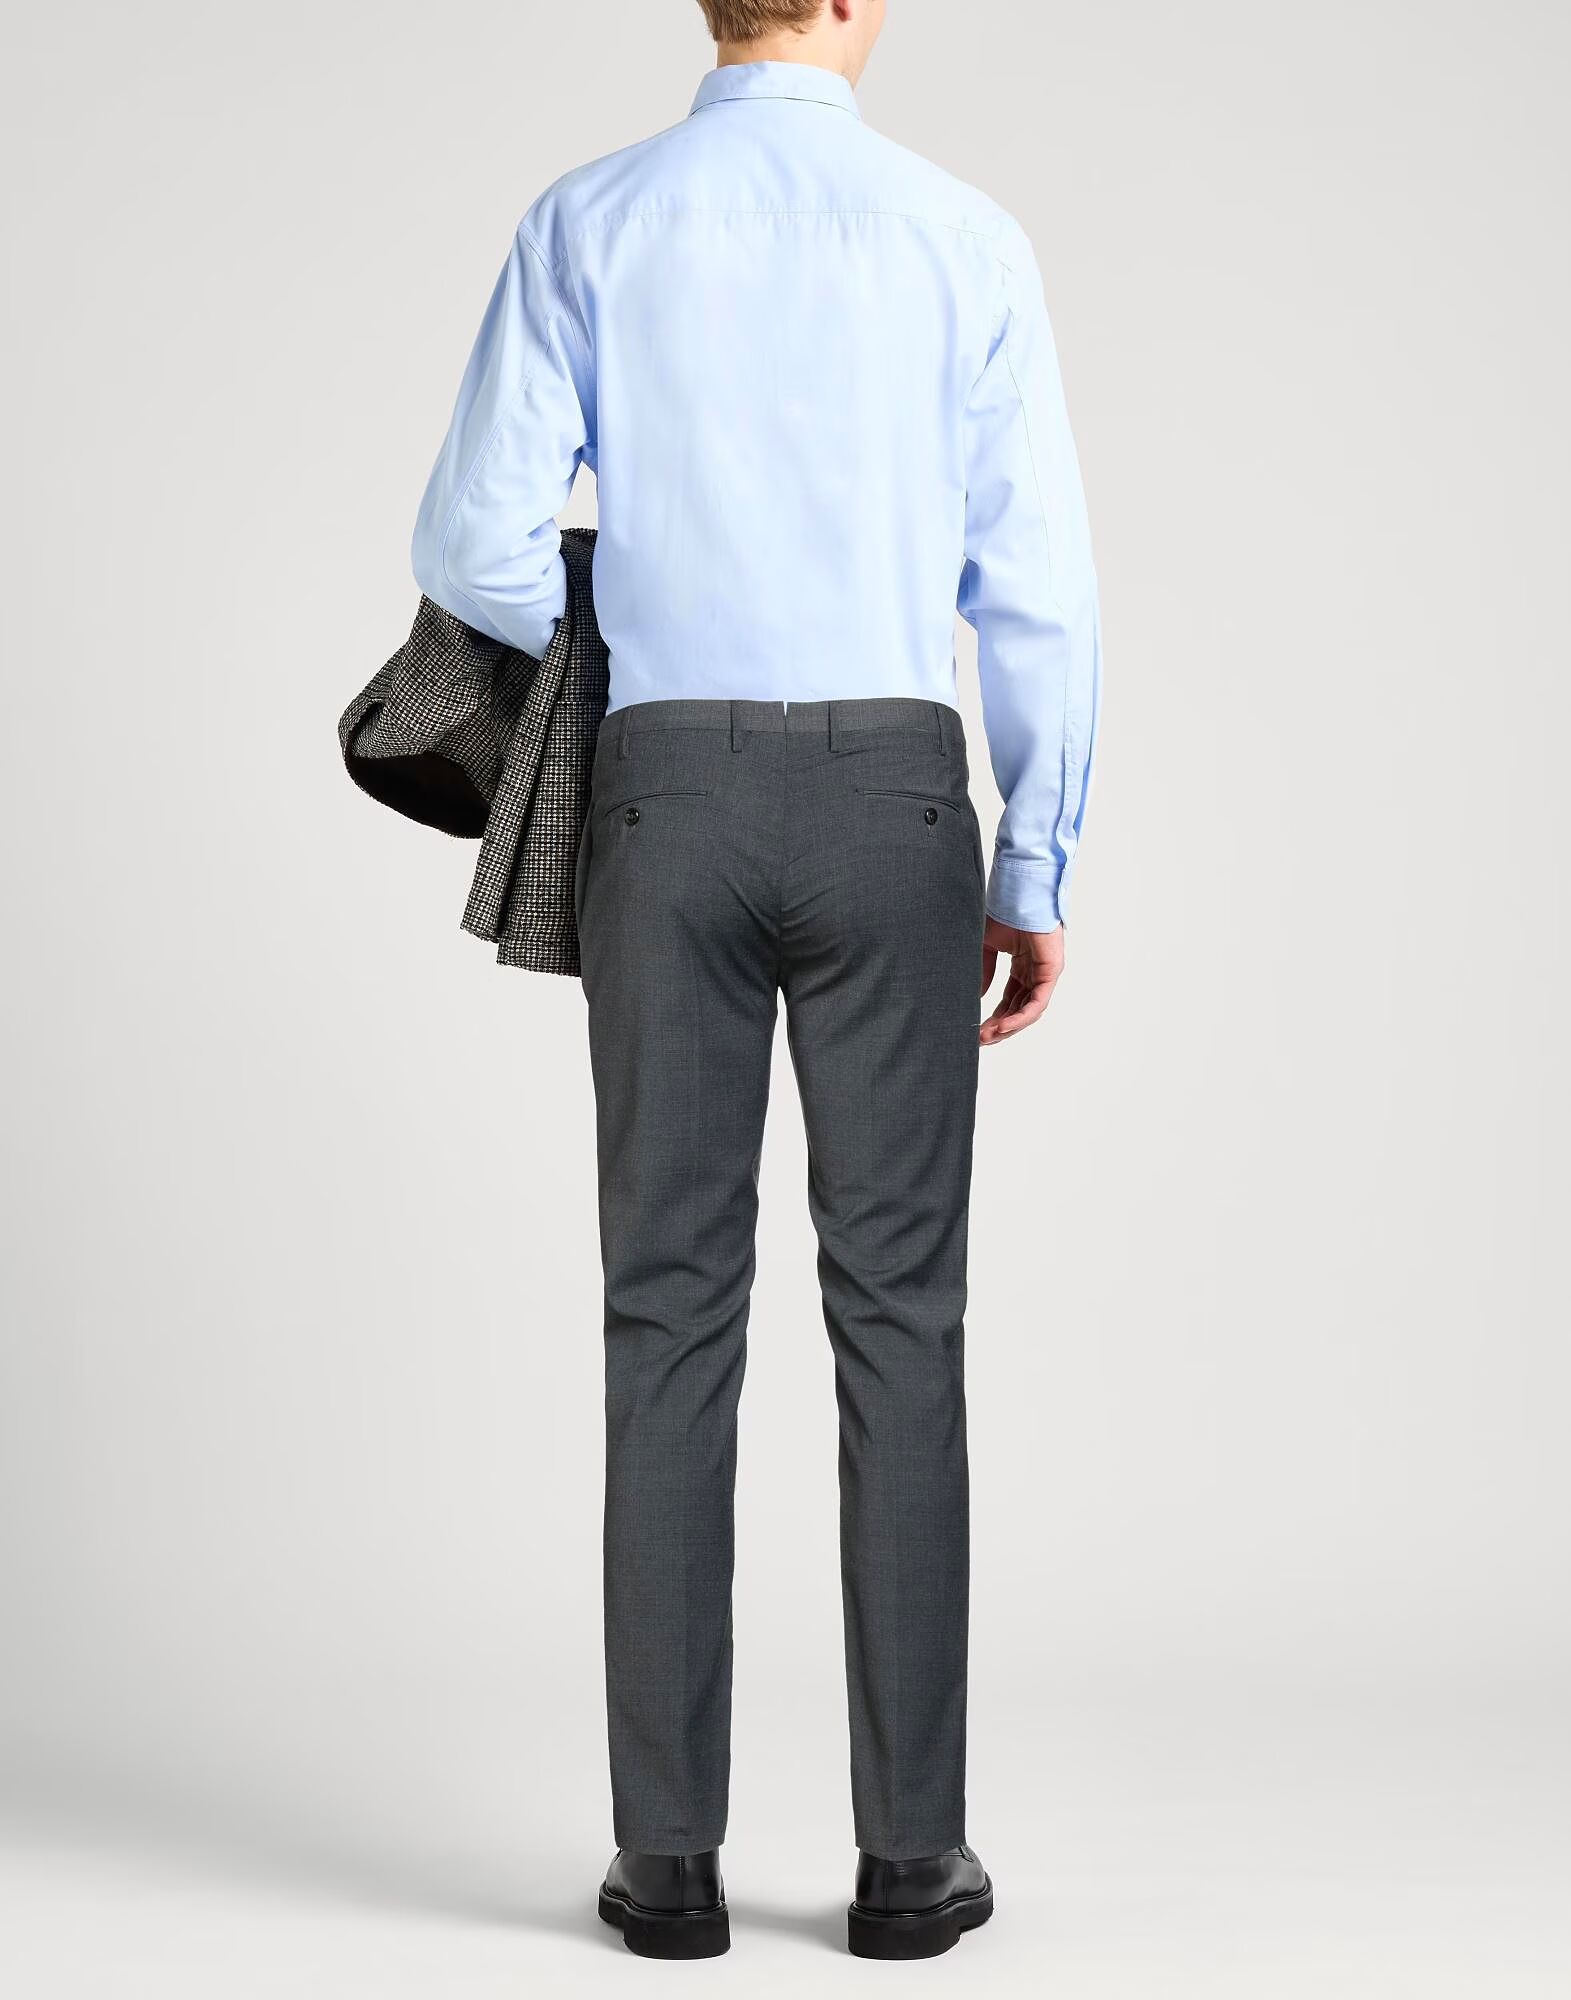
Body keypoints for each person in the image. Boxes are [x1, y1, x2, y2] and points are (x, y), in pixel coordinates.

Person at [410, 0, 1101, 1961]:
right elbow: (1039, 586)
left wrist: (625, 631)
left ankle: (665, 1868)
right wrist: (1037, 859)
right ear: (859, 3)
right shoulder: (964, 237)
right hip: (894, 798)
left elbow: (468, 539)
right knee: (904, 1321)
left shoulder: (589, 218)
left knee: (665, 1318)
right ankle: (913, 1869)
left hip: (668, 793)